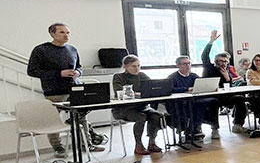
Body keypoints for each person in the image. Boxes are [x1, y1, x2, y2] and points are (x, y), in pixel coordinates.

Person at [26, 22, 106, 156]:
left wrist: (78, 73)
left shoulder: (72, 49)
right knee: (53, 121)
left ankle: (86, 144)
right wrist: (59, 74)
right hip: (54, 91)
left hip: (74, 88)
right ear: (52, 34)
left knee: (82, 117)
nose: (66, 35)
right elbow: (32, 71)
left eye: (68, 32)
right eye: (62, 32)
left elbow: (79, 66)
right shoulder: (41, 50)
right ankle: (58, 147)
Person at [111, 55, 162, 155]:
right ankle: (138, 145)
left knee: (156, 115)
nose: (137, 68)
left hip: (141, 107)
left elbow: (151, 87)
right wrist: (138, 94)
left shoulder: (142, 75)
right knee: (140, 117)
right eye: (133, 66)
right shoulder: (118, 77)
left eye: (138, 65)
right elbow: (120, 92)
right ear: (125, 66)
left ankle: (152, 142)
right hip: (123, 109)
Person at [201, 30, 248, 134]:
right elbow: (204, 56)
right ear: (215, 61)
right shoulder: (210, 68)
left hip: (223, 96)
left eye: (225, 61)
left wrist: (227, 78)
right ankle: (214, 129)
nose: (223, 63)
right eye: (220, 61)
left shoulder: (226, 71)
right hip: (210, 96)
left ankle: (238, 124)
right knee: (214, 102)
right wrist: (211, 41)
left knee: (240, 99)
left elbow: (228, 87)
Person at [167, 55, 217, 140]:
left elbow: (202, 84)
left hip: (193, 100)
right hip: (180, 103)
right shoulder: (172, 77)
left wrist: (211, 87)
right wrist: (187, 89)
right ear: (178, 65)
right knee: (199, 105)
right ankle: (193, 129)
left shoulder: (193, 75)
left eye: (189, 63)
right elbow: (170, 89)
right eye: (184, 64)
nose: (188, 66)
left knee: (213, 101)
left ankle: (210, 126)